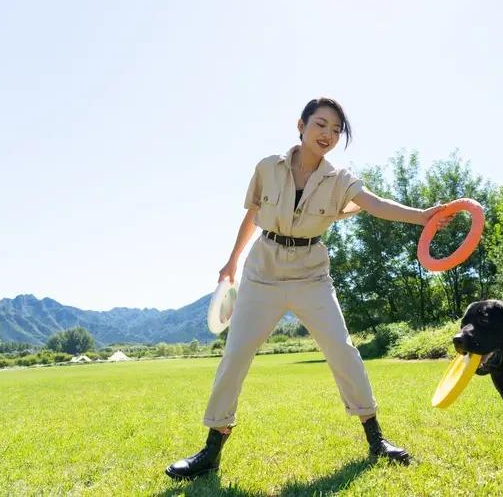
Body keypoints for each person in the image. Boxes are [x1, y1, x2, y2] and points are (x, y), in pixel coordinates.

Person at [166, 97, 455, 480]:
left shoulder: (340, 179)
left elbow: (373, 204)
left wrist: (422, 217)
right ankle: (211, 449)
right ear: (300, 125)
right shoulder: (268, 167)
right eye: (321, 124)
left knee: (342, 350)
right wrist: (232, 261)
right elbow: (253, 214)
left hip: (311, 274)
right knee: (235, 354)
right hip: (263, 271)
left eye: (336, 130)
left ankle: (376, 440)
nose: (329, 135)